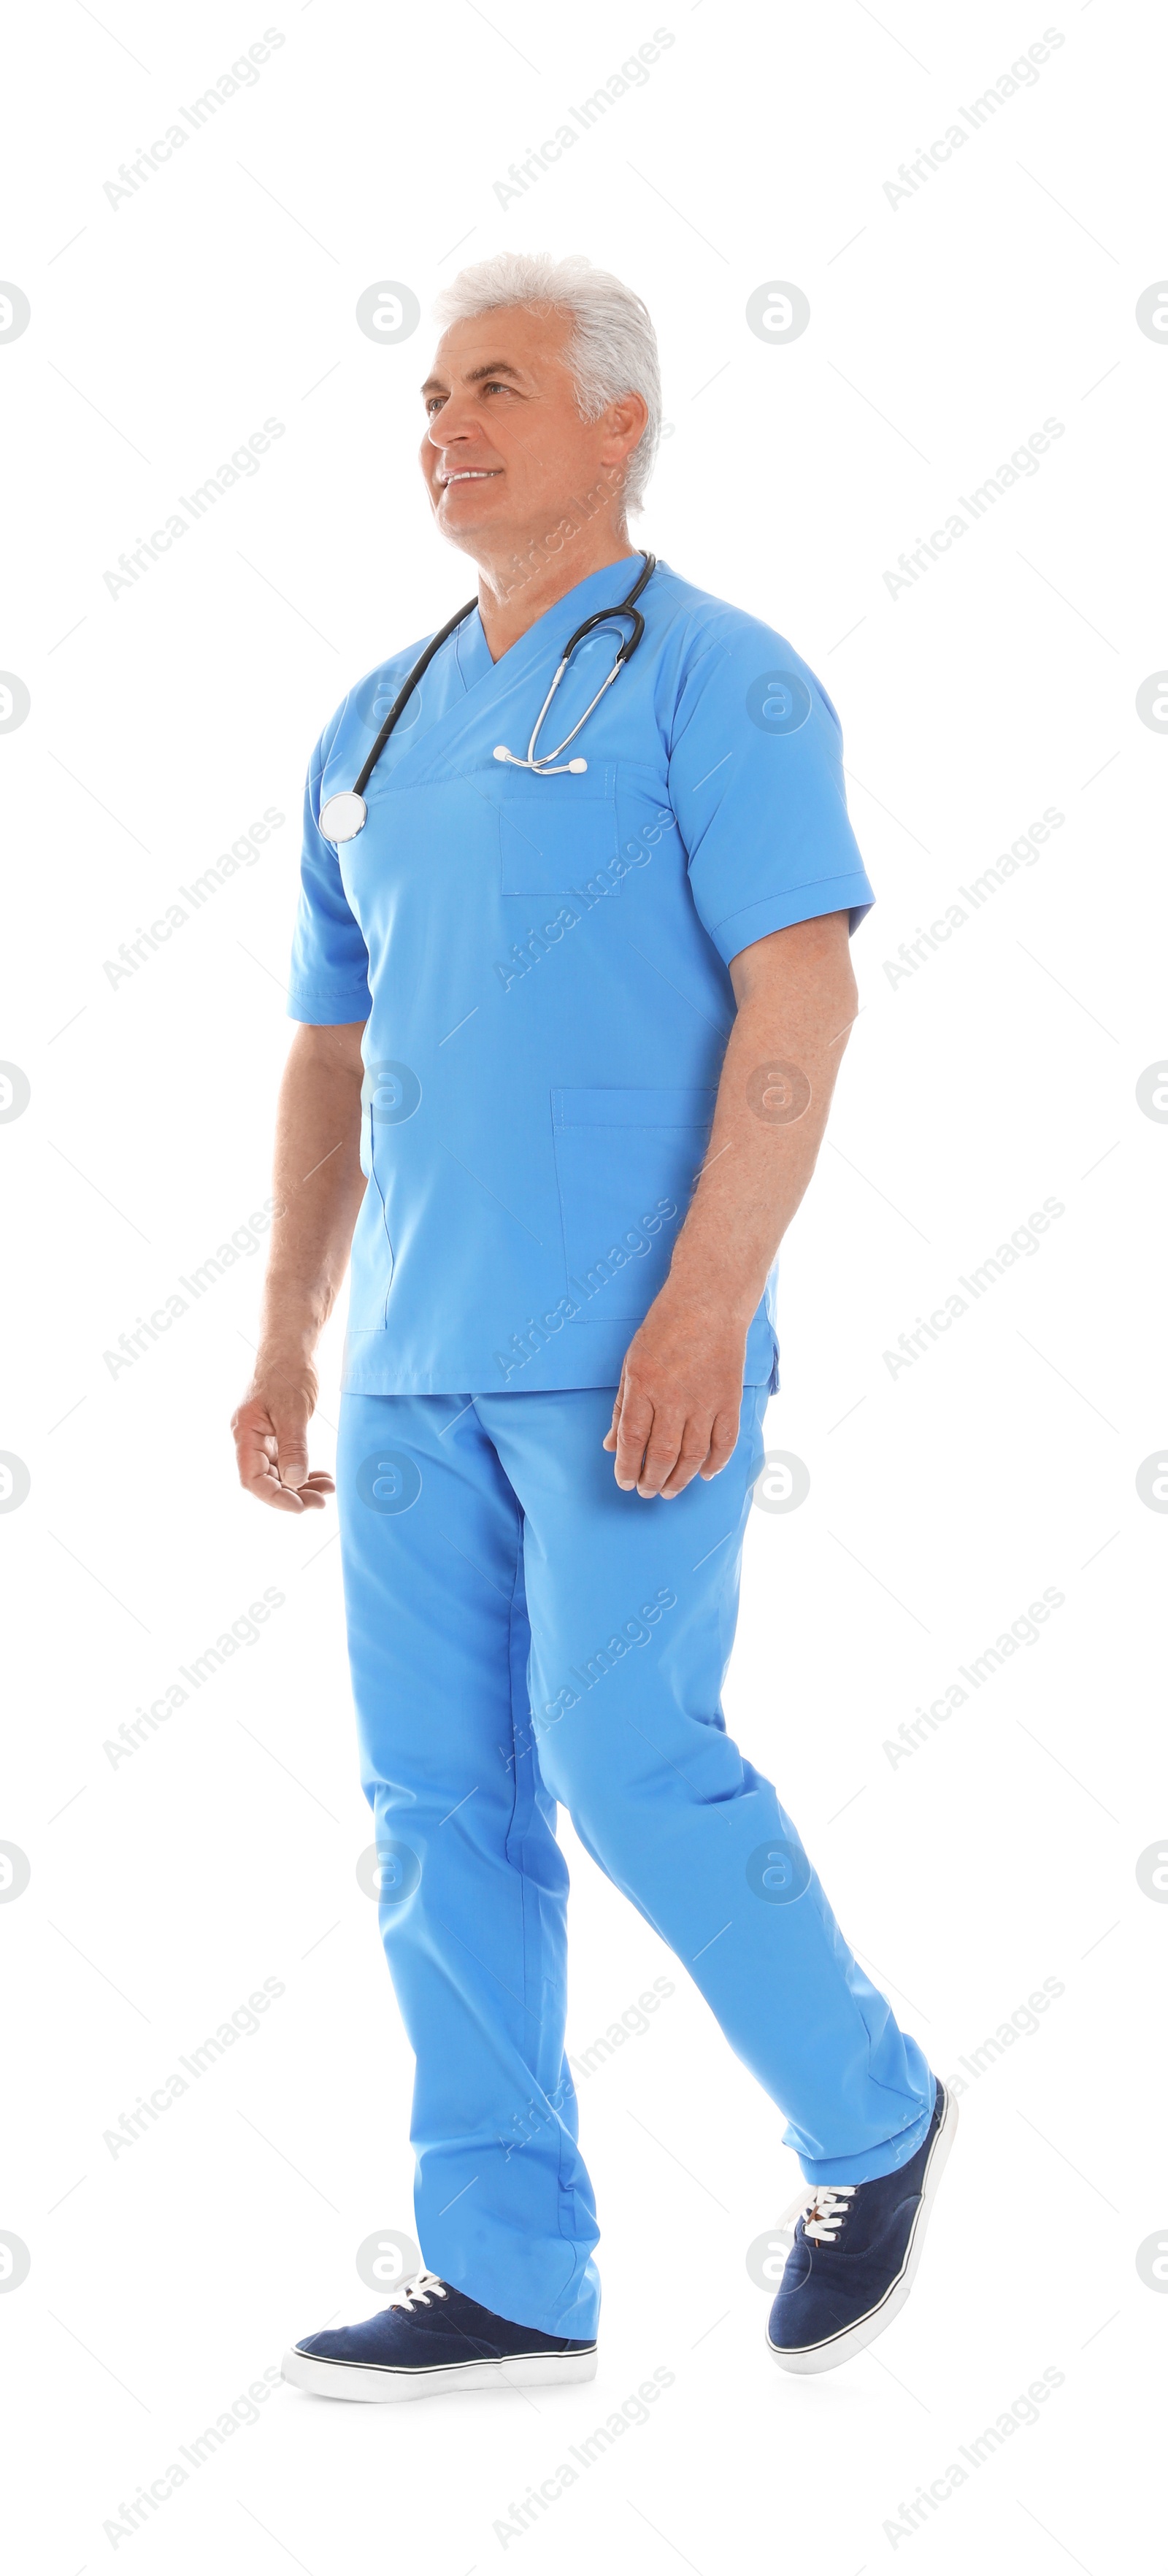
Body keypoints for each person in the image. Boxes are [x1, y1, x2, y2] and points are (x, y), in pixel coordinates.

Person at [231, 250, 955, 2403]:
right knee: (439, 1804)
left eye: (499, 388)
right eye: (433, 394)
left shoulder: (720, 688)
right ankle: (510, 2261)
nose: (445, 424)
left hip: (634, 1354)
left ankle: (872, 2113)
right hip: (415, 1369)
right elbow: (324, 1054)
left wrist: (708, 1303)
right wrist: (285, 1337)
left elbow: (800, 993)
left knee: (632, 1766)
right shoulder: (370, 719)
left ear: (619, 421)